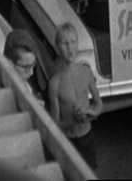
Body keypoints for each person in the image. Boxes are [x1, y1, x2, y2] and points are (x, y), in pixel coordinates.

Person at [49, 23, 103, 171]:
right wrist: (72, 121)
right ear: (57, 47)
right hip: (70, 141)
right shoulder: (55, 83)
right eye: (65, 43)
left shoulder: (86, 72)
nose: (70, 47)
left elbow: (99, 104)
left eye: (73, 42)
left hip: (87, 136)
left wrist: (92, 113)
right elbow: (54, 125)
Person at [3, 28, 45, 103]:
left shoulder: (24, 84)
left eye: (33, 65)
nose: (31, 72)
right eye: (26, 67)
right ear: (9, 64)